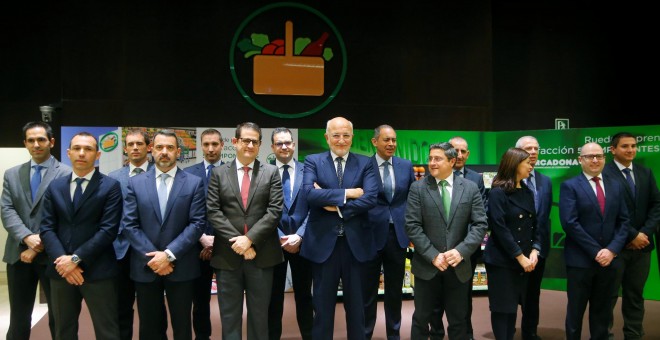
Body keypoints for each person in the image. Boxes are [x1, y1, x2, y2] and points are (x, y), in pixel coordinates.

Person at [299, 116, 379, 340]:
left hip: (356, 246)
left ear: (352, 137)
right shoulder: (313, 161)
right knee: (322, 310)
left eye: (346, 135)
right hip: (323, 245)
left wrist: (337, 207)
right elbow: (309, 194)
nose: (341, 140)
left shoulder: (366, 163)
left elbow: (371, 197)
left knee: (357, 310)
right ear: (327, 138)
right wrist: (349, 193)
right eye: (336, 135)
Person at [122, 129, 206, 340]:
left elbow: (197, 224)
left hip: (182, 266)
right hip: (146, 265)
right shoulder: (135, 183)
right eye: (159, 147)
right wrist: (155, 256)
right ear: (152, 150)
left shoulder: (193, 182)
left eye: (170, 147)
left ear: (178, 151)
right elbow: (129, 225)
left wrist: (168, 255)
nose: (164, 152)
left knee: (182, 327)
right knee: (150, 328)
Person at [40, 132, 123, 340]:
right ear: (68, 153)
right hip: (61, 272)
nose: (82, 153)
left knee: (107, 331)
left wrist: (75, 259)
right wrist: (63, 262)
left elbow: (108, 230)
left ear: (97, 155)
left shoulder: (110, 187)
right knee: (63, 331)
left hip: (98, 270)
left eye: (88, 149)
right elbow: (47, 228)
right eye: (77, 148)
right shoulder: (55, 187)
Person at [206, 122, 283, 340]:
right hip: (227, 256)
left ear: (260, 145)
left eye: (254, 141)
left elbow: (274, 211)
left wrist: (249, 240)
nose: (249, 145)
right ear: (235, 142)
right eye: (245, 140)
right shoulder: (219, 173)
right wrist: (238, 243)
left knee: (260, 317)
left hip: (262, 255)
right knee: (229, 317)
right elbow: (213, 211)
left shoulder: (271, 172)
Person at [404, 142, 488, 339]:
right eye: (430, 158)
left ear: (452, 161)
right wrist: (434, 256)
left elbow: (480, 225)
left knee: (459, 321)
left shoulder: (470, 188)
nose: (432, 163)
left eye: (437, 159)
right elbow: (412, 226)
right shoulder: (418, 188)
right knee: (421, 320)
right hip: (427, 267)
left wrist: (460, 252)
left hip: (458, 267)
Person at [1, 121, 71, 340]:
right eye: (31, 140)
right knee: (19, 317)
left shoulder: (66, 173)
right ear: (25, 143)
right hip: (18, 255)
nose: (36, 144)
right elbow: (7, 209)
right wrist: (26, 237)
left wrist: (38, 243)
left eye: (41, 139)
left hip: (53, 257)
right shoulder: (12, 174)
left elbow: (64, 216)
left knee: (59, 318)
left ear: (51, 142)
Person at [559, 142, 629, 340]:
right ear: (580, 160)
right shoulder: (570, 186)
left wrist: (612, 250)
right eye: (590, 156)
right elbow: (570, 223)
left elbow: (624, 222)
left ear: (605, 158)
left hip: (609, 261)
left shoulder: (616, 185)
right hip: (580, 262)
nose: (595, 160)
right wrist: (597, 251)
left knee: (602, 312)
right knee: (575, 312)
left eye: (599, 156)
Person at [603, 132, 660, 340]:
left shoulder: (645, 172)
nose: (631, 150)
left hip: (643, 247)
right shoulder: (604, 174)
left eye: (634, 146)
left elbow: (656, 205)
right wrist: (632, 235)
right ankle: (604, 335)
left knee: (635, 296)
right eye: (625, 146)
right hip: (615, 247)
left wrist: (644, 233)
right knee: (607, 296)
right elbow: (609, 211)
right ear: (613, 149)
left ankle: (634, 335)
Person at [363, 124, 415, 340]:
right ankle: (365, 333)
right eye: (386, 140)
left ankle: (394, 334)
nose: (391, 144)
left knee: (395, 291)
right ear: (375, 142)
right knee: (368, 291)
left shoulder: (406, 165)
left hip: (398, 236)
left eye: (394, 140)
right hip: (370, 234)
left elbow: (412, 198)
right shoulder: (364, 166)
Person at [483, 147, 540, 340]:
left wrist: (534, 250)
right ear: (515, 165)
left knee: (514, 308)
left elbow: (535, 224)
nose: (530, 166)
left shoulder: (526, 191)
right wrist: (520, 256)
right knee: (502, 309)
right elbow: (500, 229)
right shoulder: (498, 193)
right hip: (503, 261)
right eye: (527, 163)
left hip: (524, 259)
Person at [107, 128, 156, 340]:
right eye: (130, 145)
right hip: (121, 251)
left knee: (151, 309)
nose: (135, 148)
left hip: (150, 250)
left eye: (139, 144)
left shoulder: (160, 173)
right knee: (121, 306)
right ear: (125, 149)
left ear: (148, 147)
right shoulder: (113, 177)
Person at [267, 127, 313, 340]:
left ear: (294, 145)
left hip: (303, 244)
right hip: (273, 244)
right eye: (279, 143)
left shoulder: (308, 171)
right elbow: (259, 209)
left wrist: (300, 235)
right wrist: (279, 236)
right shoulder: (264, 173)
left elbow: (315, 207)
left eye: (287, 142)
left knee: (305, 297)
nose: (284, 147)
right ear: (272, 147)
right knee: (273, 299)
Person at [184, 128, 224, 340]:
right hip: (197, 247)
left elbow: (237, 212)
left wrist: (217, 241)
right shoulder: (188, 173)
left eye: (214, 144)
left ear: (222, 146)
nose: (210, 149)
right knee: (199, 300)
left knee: (229, 300)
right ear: (201, 146)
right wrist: (202, 239)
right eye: (206, 144)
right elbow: (184, 211)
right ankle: (202, 337)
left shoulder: (232, 171)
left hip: (227, 246)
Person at [516, 136, 553, 340]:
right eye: (528, 148)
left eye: (536, 148)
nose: (533, 152)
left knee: (532, 295)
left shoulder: (545, 181)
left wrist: (537, 247)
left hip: (537, 248)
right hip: (513, 249)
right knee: (512, 295)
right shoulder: (507, 181)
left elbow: (544, 216)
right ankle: (506, 331)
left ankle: (530, 332)